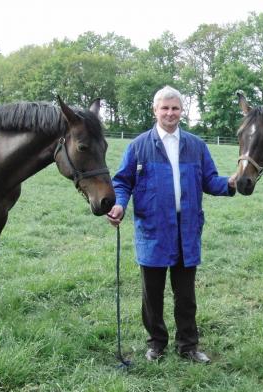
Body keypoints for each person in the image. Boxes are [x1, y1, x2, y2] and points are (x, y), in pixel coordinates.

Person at [107, 85, 236, 363]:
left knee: (186, 296)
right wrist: (119, 204)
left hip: (186, 230)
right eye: (164, 108)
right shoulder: (139, 146)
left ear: (182, 112)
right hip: (152, 230)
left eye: (175, 108)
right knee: (152, 295)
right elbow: (122, 181)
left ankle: (188, 346)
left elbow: (210, 181)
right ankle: (156, 344)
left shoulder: (196, 146)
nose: (170, 113)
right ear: (155, 111)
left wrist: (230, 183)